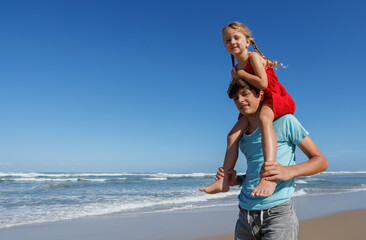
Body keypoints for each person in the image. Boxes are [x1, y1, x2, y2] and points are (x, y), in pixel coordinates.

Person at [213, 78, 328, 239]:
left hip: (277, 214)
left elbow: (321, 161)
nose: (240, 100)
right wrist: (237, 180)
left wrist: (288, 171)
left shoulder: (285, 121)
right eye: (236, 98)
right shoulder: (242, 135)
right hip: (245, 215)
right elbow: (256, 172)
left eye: (245, 94)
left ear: (260, 94)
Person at [200, 22, 295, 196]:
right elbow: (240, 93)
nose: (232, 42)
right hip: (254, 103)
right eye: (227, 40)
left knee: (264, 120)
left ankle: (269, 175)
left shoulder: (253, 59)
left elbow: (264, 83)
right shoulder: (233, 70)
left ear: (247, 42)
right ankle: (224, 180)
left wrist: (242, 74)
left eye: (236, 38)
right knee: (232, 135)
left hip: (271, 96)